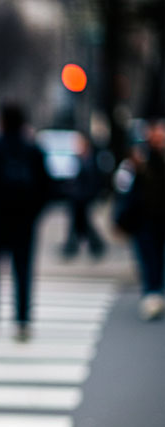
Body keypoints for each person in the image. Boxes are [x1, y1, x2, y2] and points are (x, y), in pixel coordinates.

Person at [0, 103, 51, 341]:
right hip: (23, 222)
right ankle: (22, 318)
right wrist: (33, 215)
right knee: (23, 270)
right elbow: (46, 188)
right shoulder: (33, 149)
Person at [114, 118, 165, 320]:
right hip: (143, 219)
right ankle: (151, 293)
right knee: (147, 257)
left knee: (157, 258)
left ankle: (155, 292)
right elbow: (125, 186)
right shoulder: (138, 158)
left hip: (160, 218)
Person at [61, 133, 105, 259]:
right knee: (78, 223)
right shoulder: (77, 158)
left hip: (85, 196)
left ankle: (79, 246)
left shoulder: (91, 158)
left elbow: (95, 178)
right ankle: (74, 247)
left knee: (82, 223)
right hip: (76, 196)